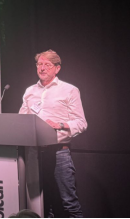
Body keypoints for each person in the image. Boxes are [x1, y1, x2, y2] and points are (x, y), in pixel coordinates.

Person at [19, 50, 87, 218]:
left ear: (57, 68)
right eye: (39, 64)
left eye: (47, 65)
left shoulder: (69, 90)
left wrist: (60, 125)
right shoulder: (29, 91)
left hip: (59, 153)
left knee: (69, 202)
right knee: (42, 203)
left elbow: (81, 123)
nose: (42, 68)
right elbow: (21, 120)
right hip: (34, 154)